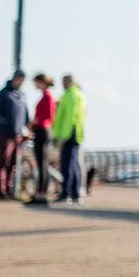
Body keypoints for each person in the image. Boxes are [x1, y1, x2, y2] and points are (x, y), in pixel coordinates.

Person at [0, 72, 31, 203]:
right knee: (3, 162)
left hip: (18, 135)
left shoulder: (22, 96)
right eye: (20, 80)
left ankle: (10, 189)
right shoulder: (3, 93)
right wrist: (7, 124)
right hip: (4, 134)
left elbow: (26, 116)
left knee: (13, 164)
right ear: (15, 79)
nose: (21, 83)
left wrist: (27, 130)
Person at [53, 75, 85, 203]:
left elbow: (69, 118)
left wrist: (62, 136)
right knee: (74, 163)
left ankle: (66, 193)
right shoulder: (79, 95)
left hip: (69, 134)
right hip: (76, 134)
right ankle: (75, 193)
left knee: (67, 164)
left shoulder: (70, 95)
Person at [27, 75, 56, 205]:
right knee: (40, 164)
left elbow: (49, 116)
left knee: (43, 164)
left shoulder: (47, 97)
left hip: (43, 131)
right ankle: (39, 192)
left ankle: (42, 194)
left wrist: (35, 122)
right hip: (40, 130)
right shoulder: (45, 96)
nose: (35, 85)